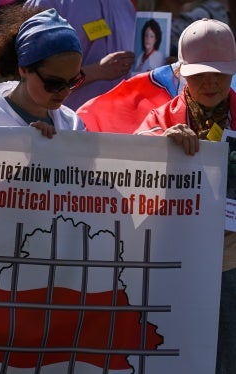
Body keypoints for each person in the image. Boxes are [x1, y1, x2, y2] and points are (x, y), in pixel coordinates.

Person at [134, 18, 236, 373]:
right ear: (180, 73)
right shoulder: (159, 119)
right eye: (199, 74)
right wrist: (159, 144)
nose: (210, 82)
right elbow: (126, 168)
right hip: (175, 262)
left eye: (220, 74)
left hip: (231, 266)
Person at [0, 7, 86, 137]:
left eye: (74, 81)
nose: (66, 91)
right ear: (23, 69)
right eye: (54, 83)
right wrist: (30, 147)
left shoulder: (73, 124)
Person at [23, 0, 136, 110]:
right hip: (65, 124)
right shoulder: (49, 3)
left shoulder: (125, 4)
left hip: (121, 121)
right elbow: (30, 76)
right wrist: (97, 71)